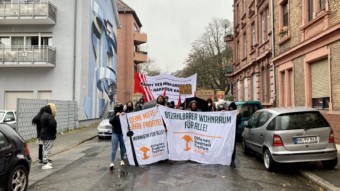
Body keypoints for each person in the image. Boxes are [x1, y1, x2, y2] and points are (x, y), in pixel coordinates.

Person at [109, 103, 126, 170]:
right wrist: (116, 116)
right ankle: (112, 162)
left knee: (122, 148)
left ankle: (122, 160)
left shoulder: (123, 114)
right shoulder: (114, 114)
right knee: (114, 148)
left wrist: (123, 115)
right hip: (115, 133)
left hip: (122, 133)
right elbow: (110, 121)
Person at [40, 103, 57, 170]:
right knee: (48, 149)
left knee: (45, 148)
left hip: (44, 134)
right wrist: (54, 132)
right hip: (48, 135)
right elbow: (52, 125)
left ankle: (45, 161)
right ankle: (45, 163)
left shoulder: (43, 115)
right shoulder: (49, 116)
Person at [227, 102, 239, 169]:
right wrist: (223, 113)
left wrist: (238, 115)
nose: (231, 109)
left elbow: (238, 122)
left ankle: (232, 160)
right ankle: (228, 159)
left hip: (234, 134)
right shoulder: (227, 114)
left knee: (233, 147)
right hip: (228, 134)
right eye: (230, 108)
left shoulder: (237, 115)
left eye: (232, 108)